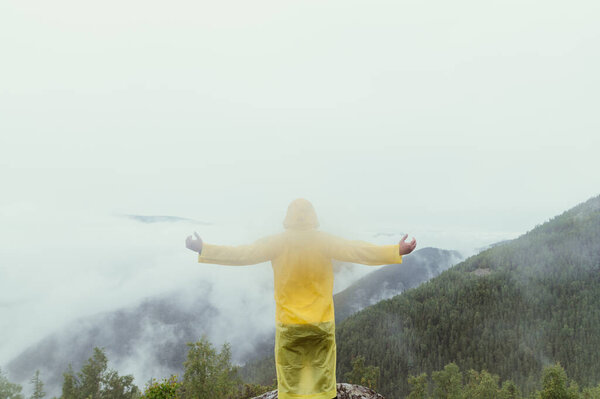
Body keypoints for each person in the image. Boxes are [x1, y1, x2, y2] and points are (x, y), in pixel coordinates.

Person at [185, 198, 416, 399]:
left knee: (290, 385)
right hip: (321, 323)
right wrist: (396, 250)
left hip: (289, 325)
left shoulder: (277, 242)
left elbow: (242, 254)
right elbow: (357, 250)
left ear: (288, 218)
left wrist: (203, 248)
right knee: (324, 384)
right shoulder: (324, 240)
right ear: (313, 218)